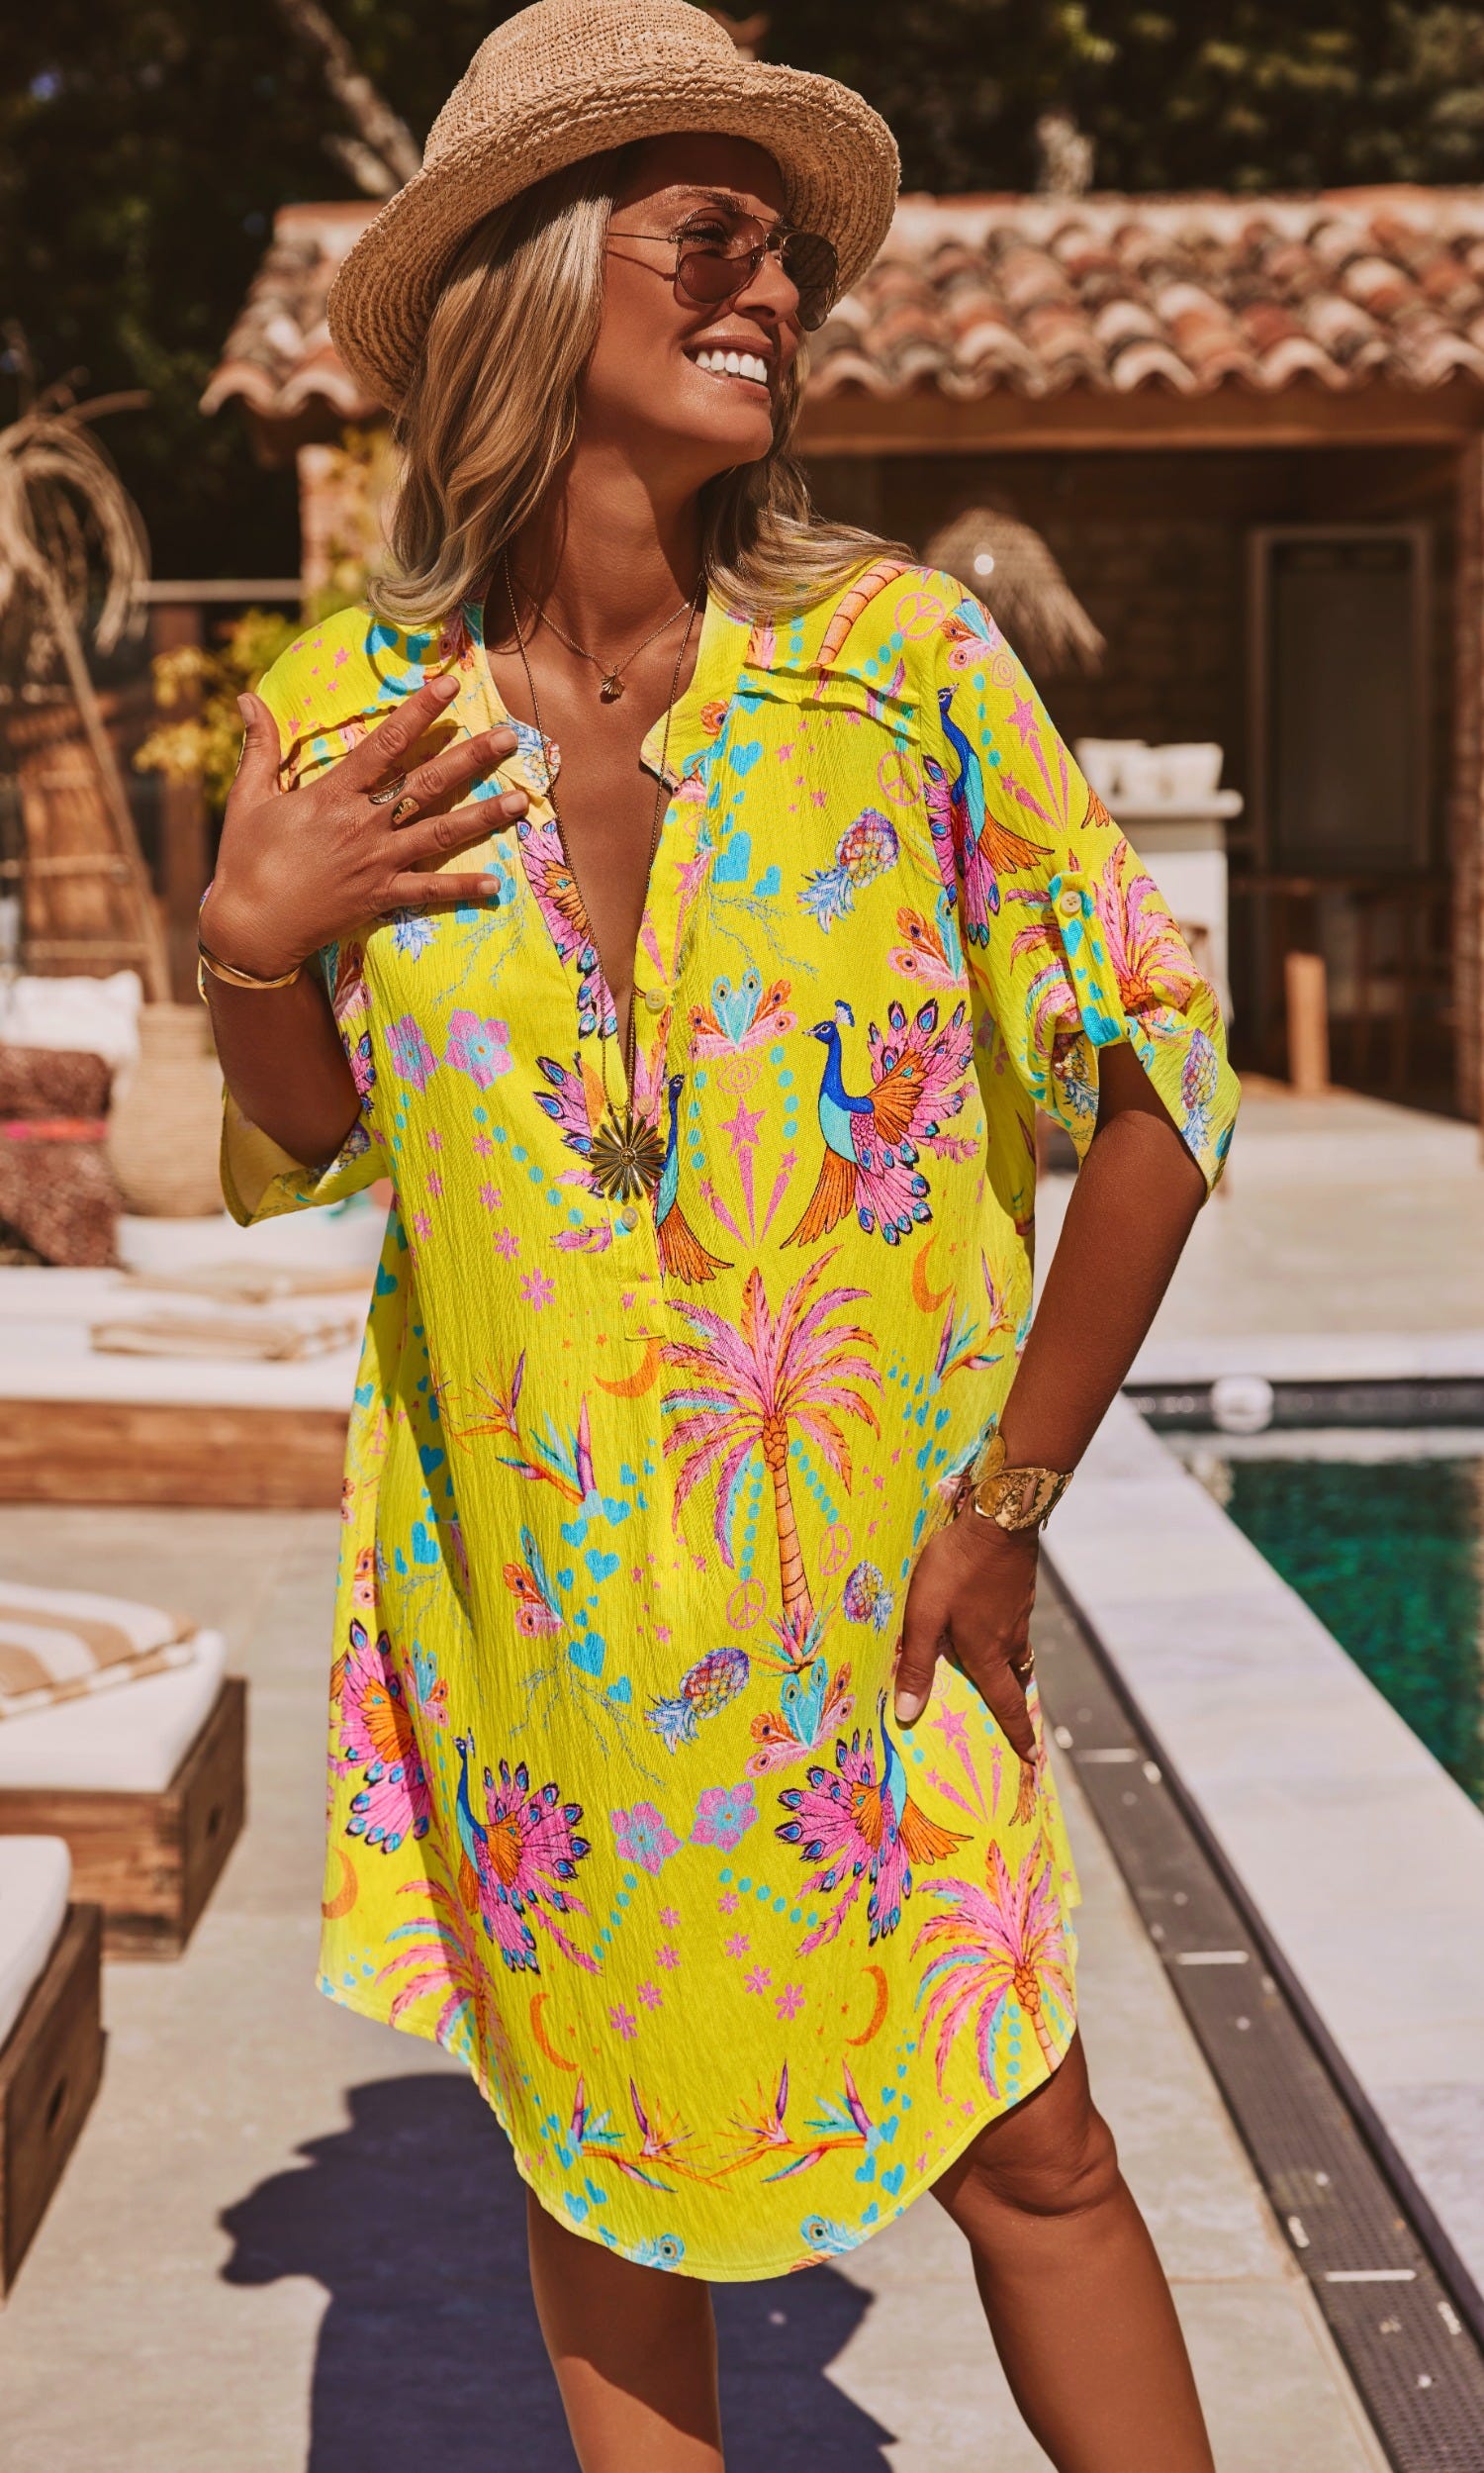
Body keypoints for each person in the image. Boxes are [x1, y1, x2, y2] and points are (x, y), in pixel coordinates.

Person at [200, 5, 1238, 2467]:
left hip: (877, 1602)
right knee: (605, 2188)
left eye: (790, 263)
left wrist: (1006, 1503)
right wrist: (249, 951)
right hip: (540, 1619)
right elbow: (322, 1139)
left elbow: (1160, 1078)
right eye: (712, 240)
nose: (772, 293)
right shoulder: (348, 715)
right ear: (544, 273)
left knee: (1040, 2148)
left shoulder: (900, 670)